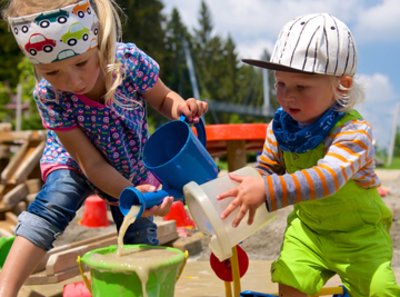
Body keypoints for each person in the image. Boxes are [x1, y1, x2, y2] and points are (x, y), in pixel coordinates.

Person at [0, 0, 208, 296]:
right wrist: (131, 192)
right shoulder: (50, 96)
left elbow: (163, 99)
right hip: (76, 163)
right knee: (53, 203)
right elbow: (90, 164)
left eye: (81, 63)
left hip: (130, 165)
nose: (72, 81)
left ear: (99, 42)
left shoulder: (130, 63)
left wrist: (180, 107)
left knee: (139, 235)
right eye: (52, 72)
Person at [217, 13, 400, 297]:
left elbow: (328, 178)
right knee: (290, 280)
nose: (288, 96)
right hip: (309, 232)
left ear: (343, 85)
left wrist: (266, 188)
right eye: (281, 84)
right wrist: (234, 196)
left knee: (380, 290)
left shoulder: (353, 131)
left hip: (360, 239)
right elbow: (266, 169)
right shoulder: (280, 128)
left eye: (302, 87)